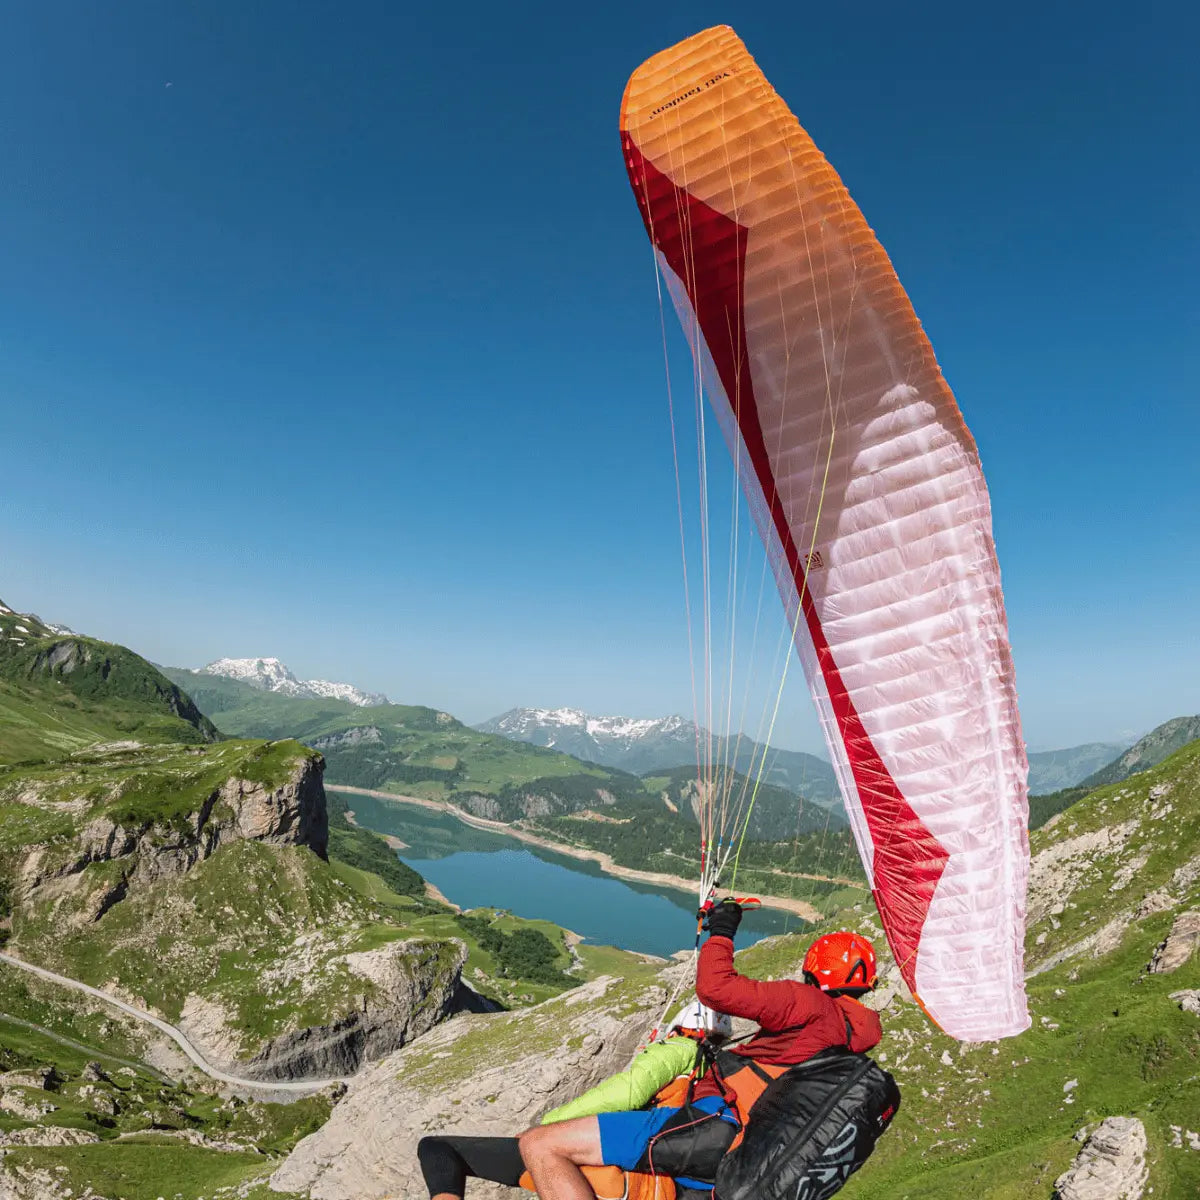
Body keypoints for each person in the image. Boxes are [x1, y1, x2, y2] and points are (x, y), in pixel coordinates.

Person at [517, 901, 882, 1200]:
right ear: (868, 984)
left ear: (813, 971)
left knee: (542, 1145)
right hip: (740, 1154)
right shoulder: (853, 1041)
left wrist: (722, 929)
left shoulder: (809, 1004)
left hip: (713, 1125)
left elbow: (716, 989)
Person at [417, 1002, 732, 1200]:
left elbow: (627, 1093)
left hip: (630, 1177)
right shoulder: (717, 1073)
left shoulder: (680, 1050)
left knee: (438, 1148)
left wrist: (550, 1129)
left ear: (681, 1028)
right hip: (668, 1180)